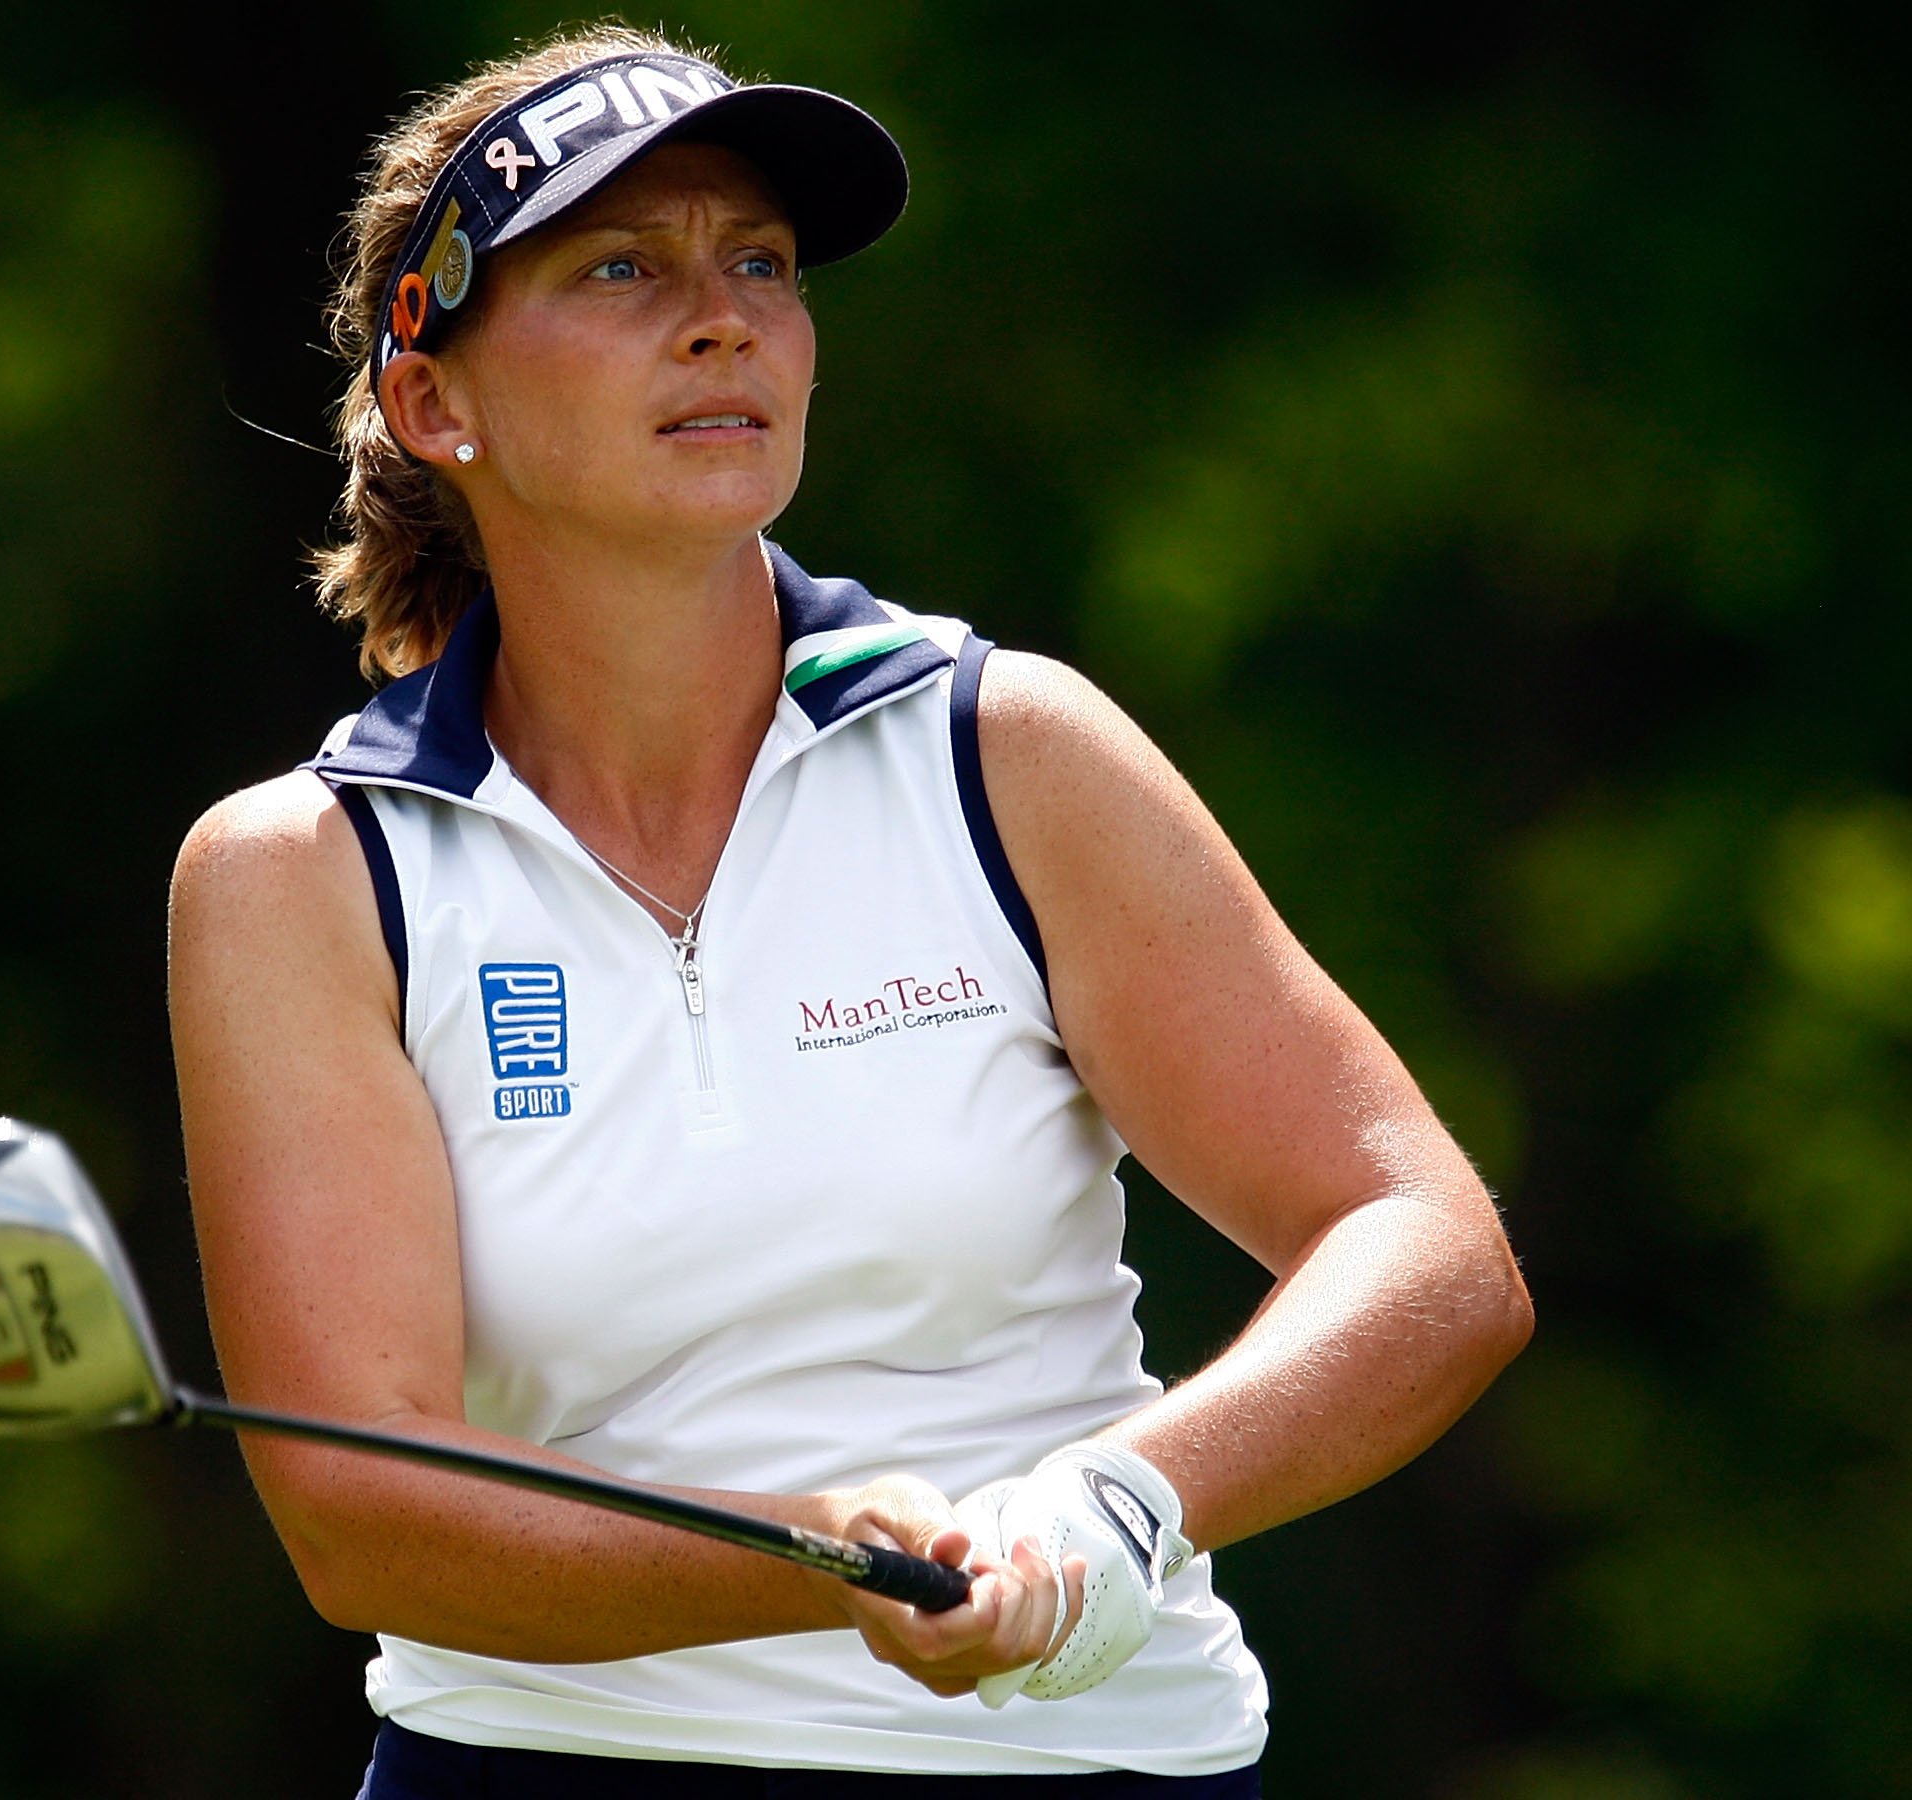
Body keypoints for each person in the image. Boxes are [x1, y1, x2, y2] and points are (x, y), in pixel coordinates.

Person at [167, 25, 1532, 1798]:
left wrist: (1120, 1504)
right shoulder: (308, 874)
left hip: (1090, 1768)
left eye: (760, 265)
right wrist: (804, 1547)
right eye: (621, 267)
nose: (725, 316)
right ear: (438, 405)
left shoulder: (1003, 751)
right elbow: (366, 1516)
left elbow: (1425, 1247)